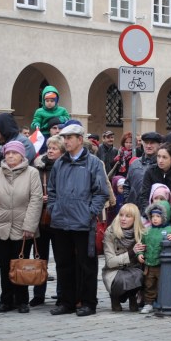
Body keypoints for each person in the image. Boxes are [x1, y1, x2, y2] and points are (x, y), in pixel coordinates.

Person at [47, 124, 110, 317]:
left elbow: (101, 192)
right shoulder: (60, 163)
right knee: (63, 264)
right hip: (61, 221)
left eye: (70, 137)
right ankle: (67, 302)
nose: (66, 141)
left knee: (86, 265)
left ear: (80, 139)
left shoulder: (93, 163)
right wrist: (54, 208)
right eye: (64, 137)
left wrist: (89, 212)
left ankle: (88, 303)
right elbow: (51, 190)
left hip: (83, 223)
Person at [0, 141, 43, 314]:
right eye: (7, 153)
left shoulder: (32, 173)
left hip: (23, 227)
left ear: (22, 156)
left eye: (14, 153)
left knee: (21, 264)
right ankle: (6, 300)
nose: (10, 156)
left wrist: (30, 225)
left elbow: (36, 200)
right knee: (4, 265)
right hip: (0, 226)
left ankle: (22, 300)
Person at [29, 134, 65, 307]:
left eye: (54, 148)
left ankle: (61, 293)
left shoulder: (65, 167)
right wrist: (39, 197)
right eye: (49, 148)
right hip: (40, 218)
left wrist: (52, 198)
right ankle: (38, 294)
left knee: (60, 258)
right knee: (39, 258)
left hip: (58, 218)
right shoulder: (39, 167)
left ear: (62, 151)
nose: (50, 151)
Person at [137, 201, 171, 314]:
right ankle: (149, 303)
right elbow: (142, 245)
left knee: (162, 283)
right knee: (149, 284)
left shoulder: (170, 229)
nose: (155, 219)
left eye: (158, 216)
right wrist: (140, 254)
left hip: (162, 265)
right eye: (153, 216)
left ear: (165, 217)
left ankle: (161, 301)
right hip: (149, 264)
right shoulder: (147, 231)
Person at [102, 203, 146, 312]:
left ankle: (132, 297)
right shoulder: (110, 232)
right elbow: (110, 262)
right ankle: (115, 297)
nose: (123, 219)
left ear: (135, 219)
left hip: (133, 268)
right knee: (121, 279)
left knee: (141, 275)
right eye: (121, 215)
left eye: (128, 216)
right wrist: (132, 253)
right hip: (114, 271)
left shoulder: (141, 233)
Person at [138, 143, 171, 216]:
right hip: (150, 214)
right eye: (158, 156)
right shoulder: (150, 171)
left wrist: (169, 216)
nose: (160, 160)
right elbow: (144, 196)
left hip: (168, 216)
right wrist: (149, 214)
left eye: (164, 157)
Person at [123, 131, 163, 205]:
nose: (148, 146)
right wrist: (127, 201)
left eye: (152, 143)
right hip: (134, 209)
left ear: (159, 145)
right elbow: (127, 185)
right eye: (146, 143)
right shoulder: (135, 164)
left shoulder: (163, 164)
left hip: (155, 211)